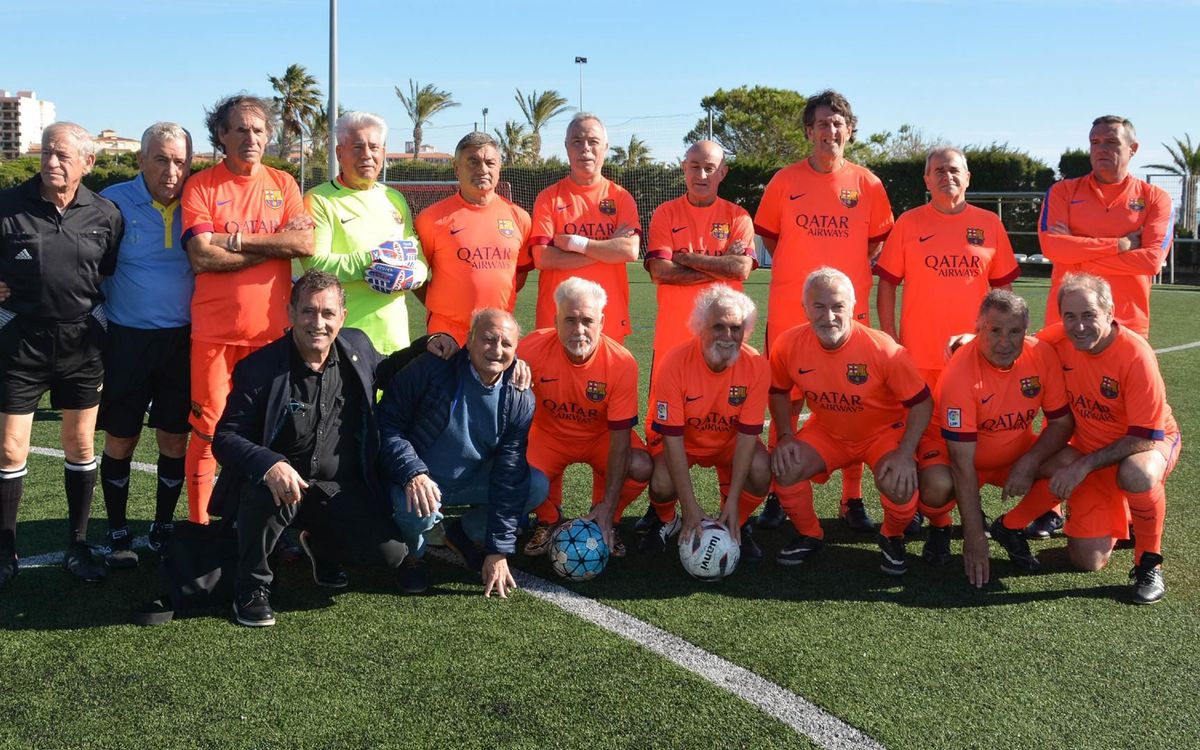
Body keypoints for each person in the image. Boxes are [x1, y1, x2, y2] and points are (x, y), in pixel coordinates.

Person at [213, 271, 451, 627]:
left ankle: (320, 545)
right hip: (279, 487)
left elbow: (386, 368)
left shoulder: (357, 347)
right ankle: (252, 587)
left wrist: (428, 343)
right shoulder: (260, 369)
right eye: (308, 311)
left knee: (389, 554)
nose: (318, 323)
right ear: (290, 312)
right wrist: (269, 464)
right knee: (267, 491)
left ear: (342, 316)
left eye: (327, 313)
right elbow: (226, 437)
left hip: (337, 487)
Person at [754, 90, 895, 532]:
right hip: (789, 313)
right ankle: (778, 494)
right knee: (784, 400)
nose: (829, 132)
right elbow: (773, 240)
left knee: (856, 402)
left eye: (837, 124)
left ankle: (852, 499)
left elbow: (875, 244)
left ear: (849, 131)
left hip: (847, 317)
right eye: (821, 124)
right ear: (808, 131)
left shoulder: (869, 185)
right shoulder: (783, 182)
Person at [0, 122, 124, 587]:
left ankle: (78, 544)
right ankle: (5, 550)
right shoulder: (7, 205)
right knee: (9, 448)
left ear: (87, 163)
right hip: (20, 342)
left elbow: (104, 271)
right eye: (47, 153)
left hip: (82, 344)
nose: (51, 162)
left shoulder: (106, 214)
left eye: (63, 155)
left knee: (81, 444)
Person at [181, 94, 314, 524]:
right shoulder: (201, 185)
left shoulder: (283, 183)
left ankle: (263, 528)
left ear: (268, 135)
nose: (250, 138)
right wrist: (274, 245)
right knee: (207, 432)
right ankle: (201, 527)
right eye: (240, 129)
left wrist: (233, 240)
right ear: (221, 135)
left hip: (273, 335)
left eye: (258, 130)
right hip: (215, 334)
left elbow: (303, 243)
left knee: (270, 433)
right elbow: (201, 256)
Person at [1013, 274, 1178, 604]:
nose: (1079, 326)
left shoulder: (1136, 355)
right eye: (1070, 316)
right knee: (1087, 561)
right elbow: (1016, 343)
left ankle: (1149, 563)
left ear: (1110, 312)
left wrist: (1083, 466)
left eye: (1089, 315)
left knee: (1137, 474)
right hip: (1091, 453)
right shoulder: (1058, 339)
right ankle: (1123, 517)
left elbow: (1144, 436)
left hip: (1146, 445)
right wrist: (970, 339)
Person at [768, 268, 931, 575]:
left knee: (898, 482)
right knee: (785, 465)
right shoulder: (788, 344)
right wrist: (786, 434)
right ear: (804, 308)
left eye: (838, 306)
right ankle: (809, 534)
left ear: (853, 307)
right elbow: (778, 391)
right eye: (818, 306)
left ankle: (892, 536)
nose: (828, 316)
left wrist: (906, 452)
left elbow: (922, 402)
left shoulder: (883, 349)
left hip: (882, 434)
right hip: (828, 431)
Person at [379, 309, 548, 597]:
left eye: (506, 344)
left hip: (469, 481)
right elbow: (387, 424)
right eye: (488, 339)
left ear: (516, 352)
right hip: (416, 479)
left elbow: (509, 473)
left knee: (535, 485)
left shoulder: (520, 397)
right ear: (469, 340)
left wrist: (497, 550)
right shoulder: (432, 368)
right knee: (414, 507)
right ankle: (413, 556)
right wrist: (412, 473)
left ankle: (467, 532)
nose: (497, 350)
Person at [916, 290, 1073, 585]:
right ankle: (940, 525)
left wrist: (1030, 461)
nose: (1005, 341)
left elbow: (1061, 423)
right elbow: (962, 463)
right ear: (979, 328)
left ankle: (1010, 526)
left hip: (1014, 455)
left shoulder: (1041, 354)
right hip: (955, 457)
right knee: (937, 486)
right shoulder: (960, 374)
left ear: (1026, 331)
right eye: (995, 330)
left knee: (1072, 463)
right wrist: (974, 537)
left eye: (1015, 331)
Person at [94, 122, 195, 567]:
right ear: (141, 160)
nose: (171, 171)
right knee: (122, 438)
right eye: (161, 159)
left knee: (174, 438)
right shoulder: (112, 202)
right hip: (126, 341)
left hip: (183, 342)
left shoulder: (198, 200)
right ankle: (117, 527)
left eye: (180, 162)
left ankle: (163, 525)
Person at [519, 277, 651, 558]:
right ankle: (549, 518)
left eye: (587, 321)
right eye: (570, 320)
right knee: (510, 469)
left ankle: (606, 518)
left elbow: (620, 442)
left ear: (601, 323)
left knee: (640, 466)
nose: (578, 330)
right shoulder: (529, 350)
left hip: (600, 439)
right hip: (548, 437)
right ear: (556, 321)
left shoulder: (621, 362)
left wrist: (609, 506)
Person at [646, 285, 771, 562]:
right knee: (662, 479)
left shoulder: (757, 365)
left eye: (736, 328)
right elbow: (672, 440)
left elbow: (747, 438)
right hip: (684, 444)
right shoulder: (673, 363)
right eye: (718, 327)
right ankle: (668, 519)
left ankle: (736, 522)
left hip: (727, 444)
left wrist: (734, 501)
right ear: (700, 327)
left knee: (761, 468)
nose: (728, 336)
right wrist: (689, 507)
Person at [876, 147, 1020, 386]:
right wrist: (890, 338)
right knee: (920, 412)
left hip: (975, 351)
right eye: (939, 171)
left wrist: (1001, 338)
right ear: (927, 180)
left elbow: (1004, 291)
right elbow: (887, 284)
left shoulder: (990, 223)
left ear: (967, 178)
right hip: (917, 356)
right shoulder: (908, 223)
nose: (947, 176)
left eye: (954, 170)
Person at [303, 111, 427, 353]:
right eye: (358, 147)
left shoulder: (395, 198)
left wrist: (414, 275)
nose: (367, 155)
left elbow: (418, 258)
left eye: (374, 147)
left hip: (395, 339)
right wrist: (373, 261)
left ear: (383, 152)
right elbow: (315, 266)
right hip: (344, 339)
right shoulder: (318, 199)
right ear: (339, 153)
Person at [1039, 116, 1173, 338]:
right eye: (1095, 142)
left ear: (1133, 149)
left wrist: (1075, 258)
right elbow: (1052, 247)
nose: (1101, 148)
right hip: (1065, 323)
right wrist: (1120, 245)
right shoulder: (1062, 191)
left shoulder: (1156, 197)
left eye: (1111, 142)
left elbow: (1151, 261)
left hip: (1127, 324)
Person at [530, 113, 640, 344]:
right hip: (556, 320)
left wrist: (575, 244)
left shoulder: (621, 198)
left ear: (605, 147)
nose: (585, 148)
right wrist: (607, 249)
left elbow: (629, 251)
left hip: (608, 318)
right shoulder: (548, 198)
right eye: (577, 141)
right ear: (567, 147)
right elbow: (543, 258)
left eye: (593, 141)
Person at [414, 131, 532, 345]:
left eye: (490, 162)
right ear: (456, 168)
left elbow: (519, 276)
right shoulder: (430, 219)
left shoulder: (520, 217)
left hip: (498, 337)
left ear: (499, 168)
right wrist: (440, 307)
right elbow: (416, 277)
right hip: (446, 336)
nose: (483, 169)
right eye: (473, 162)